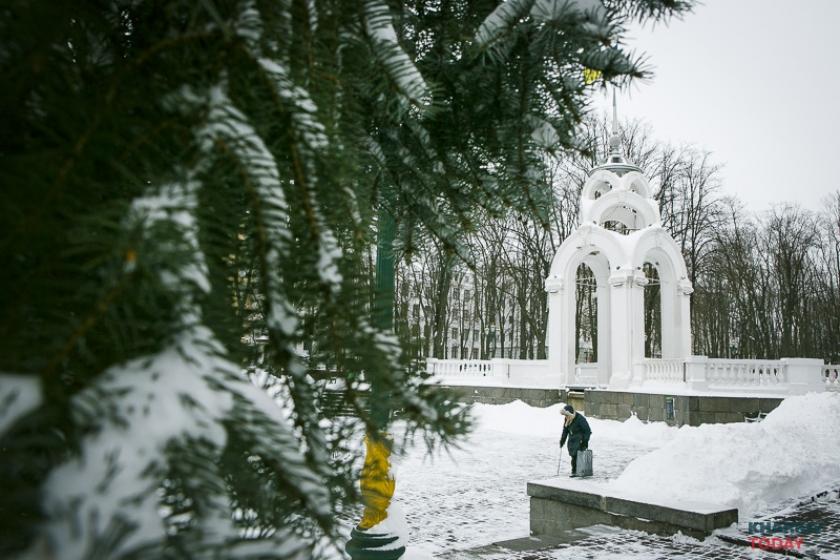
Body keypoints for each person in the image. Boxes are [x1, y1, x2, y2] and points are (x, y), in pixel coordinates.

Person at [559, 404, 591, 477]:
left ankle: (577, 471)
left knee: (577, 455)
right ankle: (575, 471)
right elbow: (565, 430)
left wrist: (584, 441)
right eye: (565, 415)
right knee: (573, 455)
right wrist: (562, 441)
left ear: (570, 414)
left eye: (567, 415)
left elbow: (587, 431)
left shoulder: (580, 419)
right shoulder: (567, 419)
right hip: (572, 440)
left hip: (580, 440)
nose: (566, 417)